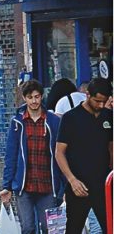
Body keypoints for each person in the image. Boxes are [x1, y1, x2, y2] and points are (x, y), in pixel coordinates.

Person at [0, 79, 65, 234]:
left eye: (37, 97)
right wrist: (7, 186)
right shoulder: (17, 122)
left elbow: (60, 154)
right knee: (28, 228)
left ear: (42, 97)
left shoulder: (53, 121)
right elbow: (11, 155)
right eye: (30, 97)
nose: (34, 101)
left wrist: (65, 185)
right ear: (24, 98)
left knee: (49, 228)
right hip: (24, 186)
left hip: (48, 184)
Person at [55, 77, 112, 234]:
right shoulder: (70, 118)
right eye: (97, 101)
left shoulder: (108, 116)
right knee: (73, 229)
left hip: (104, 185)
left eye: (104, 101)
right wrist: (72, 180)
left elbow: (111, 148)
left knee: (110, 228)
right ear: (87, 95)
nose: (100, 105)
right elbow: (59, 153)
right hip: (78, 185)